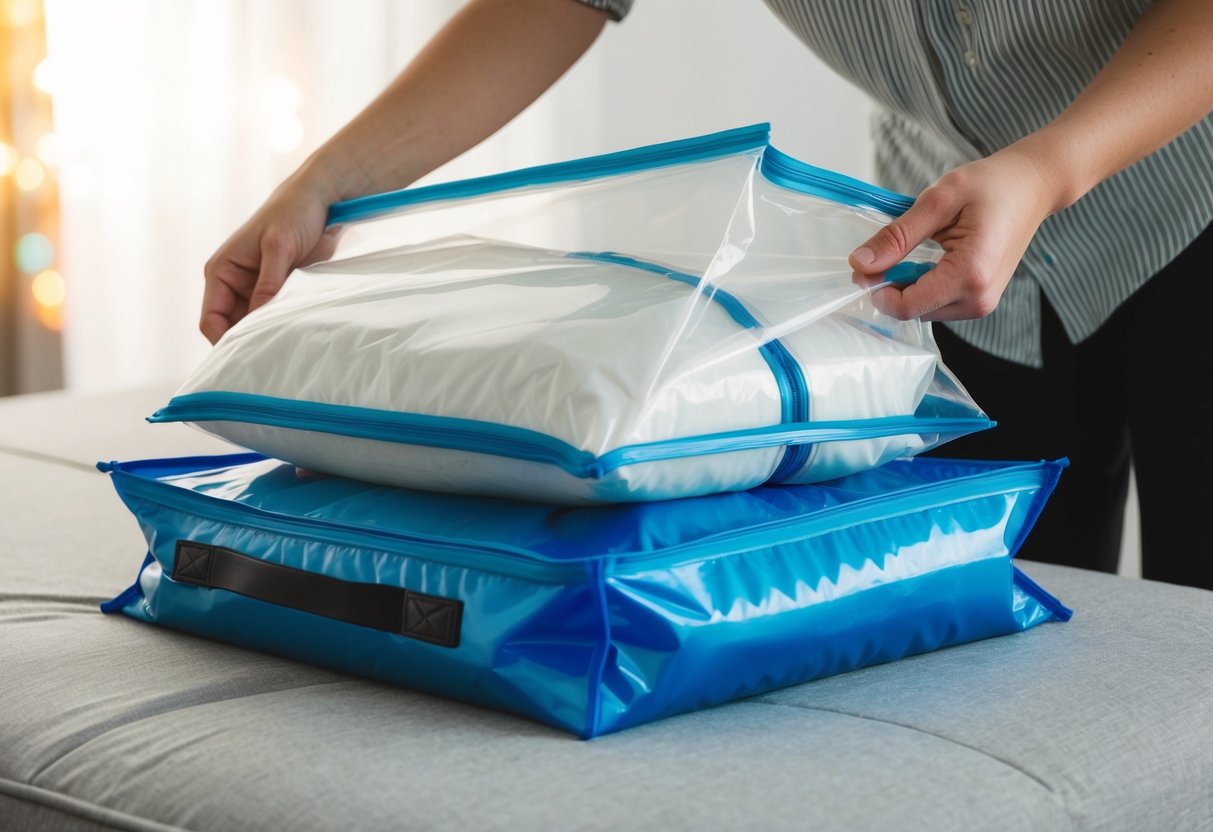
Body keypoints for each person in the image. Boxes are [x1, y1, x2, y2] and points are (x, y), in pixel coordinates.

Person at [200, 0, 1213, 590]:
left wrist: (1049, 166)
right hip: (945, 238)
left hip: (1190, 187)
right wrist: (330, 178)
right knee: (1002, 641)